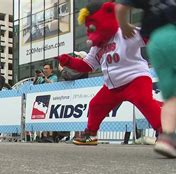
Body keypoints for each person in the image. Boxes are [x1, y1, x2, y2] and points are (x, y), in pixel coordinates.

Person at [58, 1, 162, 146]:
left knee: (145, 102)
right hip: (112, 86)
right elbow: (87, 65)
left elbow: (149, 37)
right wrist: (68, 61)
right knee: (95, 105)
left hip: (135, 78)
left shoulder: (124, 32)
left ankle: (165, 134)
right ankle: (91, 134)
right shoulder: (97, 45)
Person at [116, 0, 176, 158]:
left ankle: (167, 138)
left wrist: (125, 25)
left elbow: (120, 7)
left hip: (155, 42)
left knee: (174, 96)